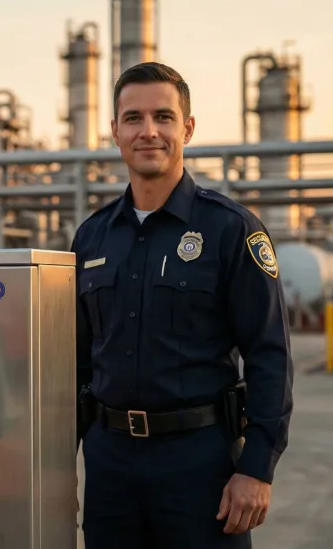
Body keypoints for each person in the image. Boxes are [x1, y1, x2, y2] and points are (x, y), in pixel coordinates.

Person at [71, 62, 294, 548]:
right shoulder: (91, 237)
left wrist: (256, 468)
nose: (148, 131)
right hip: (109, 467)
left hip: (201, 465)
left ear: (187, 128)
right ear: (114, 131)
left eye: (163, 117)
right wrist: (57, 464)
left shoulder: (231, 230)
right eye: (133, 118)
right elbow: (76, 360)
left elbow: (268, 354)